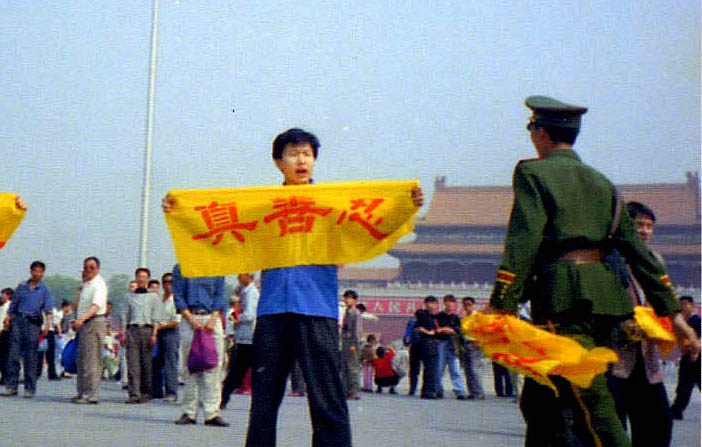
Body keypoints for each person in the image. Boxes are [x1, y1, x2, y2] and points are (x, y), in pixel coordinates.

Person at [487, 95, 699, 447]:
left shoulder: (532, 173)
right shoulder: (602, 181)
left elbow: (522, 241)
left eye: (532, 128)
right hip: (608, 302)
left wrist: (502, 303)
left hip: (564, 299)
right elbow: (639, 254)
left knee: (592, 400)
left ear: (540, 132)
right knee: (541, 396)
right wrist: (673, 314)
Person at [239, 128, 422, 446]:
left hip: (316, 309)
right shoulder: (263, 207)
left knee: (327, 398)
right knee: (264, 402)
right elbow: (225, 231)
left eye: (307, 154)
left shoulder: (332, 206)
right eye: (293, 154)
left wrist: (406, 207)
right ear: (278, 162)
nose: (301, 160)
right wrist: (181, 211)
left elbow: (371, 227)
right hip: (272, 311)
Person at [607, 201, 674, 446]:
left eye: (649, 226)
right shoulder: (607, 259)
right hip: (614, 359)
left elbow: (664, 301)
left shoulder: (655, 260)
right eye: (639, 225)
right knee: (613, 428)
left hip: (648, 359)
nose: (645, 230)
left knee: (658, 424)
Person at [171, 264, 229, 427]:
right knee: (190, 367)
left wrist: (213, 318)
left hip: (212, 318)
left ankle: (212, 412)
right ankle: (189, 412)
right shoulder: (181, 267)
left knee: (214, 366)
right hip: (190, 318)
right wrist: (191, 319)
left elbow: (220, 295)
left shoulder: (216, 266)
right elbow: (179, 296)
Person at [2, 261, 54, 398]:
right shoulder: (22, 287)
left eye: (40, 271)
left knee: (31, 357)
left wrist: (47, 325)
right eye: (35, 271)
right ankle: (11, 386)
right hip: (18, 322)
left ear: (43, 273)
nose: (37, 273)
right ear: (30, 271)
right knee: (13, 354)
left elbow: (48, 310)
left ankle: (29, 388)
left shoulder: (45, 290)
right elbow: (13, 306)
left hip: (33, 324)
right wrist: (7, 319)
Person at [71, 256, 108, 404]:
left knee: (91, 360)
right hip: (83, 324)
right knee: (82, 360)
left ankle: (91, 393)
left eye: (92, 268)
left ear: (98, 268)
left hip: (93, 322)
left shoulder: (99, 284)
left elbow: (96, 306)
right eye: (86, 268)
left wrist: (81, 319)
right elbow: (76, 305)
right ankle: (82, 391)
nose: (89, 270)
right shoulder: (86, 285)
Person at [220, 273, 259, 409]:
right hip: (245, 336)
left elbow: (249, 315)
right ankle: (224, 396)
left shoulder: (251, 293)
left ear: (249, 276)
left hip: (248, 337)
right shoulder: (245, 292)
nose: (238, 278)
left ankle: (223, 397)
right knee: (239, 369)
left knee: (237, 369)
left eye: (241, 275)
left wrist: (237, 318)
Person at [123, 267, 159, 404]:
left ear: (148, 279)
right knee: (132, 363)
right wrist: (124, 332)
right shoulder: (128, 297)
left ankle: (145, 391)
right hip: (133, 329)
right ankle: (134, 393)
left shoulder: (153, 297)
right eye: (139, 276)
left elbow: (156, 317)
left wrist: (154, 334)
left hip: (147, 330)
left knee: (146, 363)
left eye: (144, 277)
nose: (142, 279)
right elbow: (125, 315)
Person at [670, 295, 701, 420]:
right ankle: (676, 410)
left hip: (698, 358)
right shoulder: (682, 322)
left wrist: (696, 352)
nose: (682, 307)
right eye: (680, 304)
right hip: (687, 358)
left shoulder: (697, 321)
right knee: (683, 386)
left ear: (691, 305)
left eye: (684, 304)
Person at [151, 272, 180, 402]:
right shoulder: (158, 299)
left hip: (170, 332)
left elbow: (177, 321)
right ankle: (156, 390)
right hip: (158, 332)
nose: (168, 285)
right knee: (156, 361)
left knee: (170, 362)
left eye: (171, 282)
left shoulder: (177, 299)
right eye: (165, 282)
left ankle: (171, 391)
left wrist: (160, 327)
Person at [435, 294, 467, 399]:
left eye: (452, 302)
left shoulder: (456, 317)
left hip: (453, 345)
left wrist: (452, 330)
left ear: (454, 305)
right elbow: (435, 329)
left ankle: (460, 391)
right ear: (444, 303)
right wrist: (443, 330)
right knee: (439, 368)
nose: (450, 304)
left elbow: (459, 330)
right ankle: (438, 390)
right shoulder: (438, 316)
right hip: (441, 344)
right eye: (448, 302)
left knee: (455, 369)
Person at [458, 296, 485, 400]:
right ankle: (472, 392)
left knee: (474, 370)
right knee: (468, 370)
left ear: (473, 305)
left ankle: (479, 392)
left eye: (469, 304)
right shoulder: (465, 318)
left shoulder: (478, 316)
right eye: (465, 304)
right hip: (466, 344)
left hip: (475, 344)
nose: (467, 306)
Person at [414, 295, 440, 399]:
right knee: (429, 367)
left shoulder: (436, 317)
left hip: (434, 343)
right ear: (425, 304)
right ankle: (428, 391)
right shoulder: (422, 314)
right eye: (430, 303)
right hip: (426, 343)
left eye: (434, 303)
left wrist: (433, 332)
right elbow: (419, 325)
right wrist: (429, 332)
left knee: (432, 368)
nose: (432, 305)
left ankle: (429, 390)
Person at [340, 289, 363, 400]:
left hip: (352, 343)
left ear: (355, 300)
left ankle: (354, 391)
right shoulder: (347, 312)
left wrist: (354, 344)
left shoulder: (355, 313)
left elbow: (357, 331)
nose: (346, 300)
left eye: (349, 298)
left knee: (352, 367)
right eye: (346, 297)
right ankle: (345, 391)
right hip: (345, 342)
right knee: (345, 367)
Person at [402, 313, 421, 396]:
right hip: (426, 346)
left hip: (414, 346)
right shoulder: (428, 319)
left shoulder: (412, 321)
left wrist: (406, 342)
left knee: (413, 369)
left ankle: (412, 388)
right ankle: (427, 388)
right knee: (428, 368)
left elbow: (407, 333)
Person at [0, 288, 13, 385]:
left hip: (5, 333)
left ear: (8, 295)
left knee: (4, 356)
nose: (1, 296)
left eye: (3, 294)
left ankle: (6, 376)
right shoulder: (4, 306)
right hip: (3, 332)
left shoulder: (9, 306)